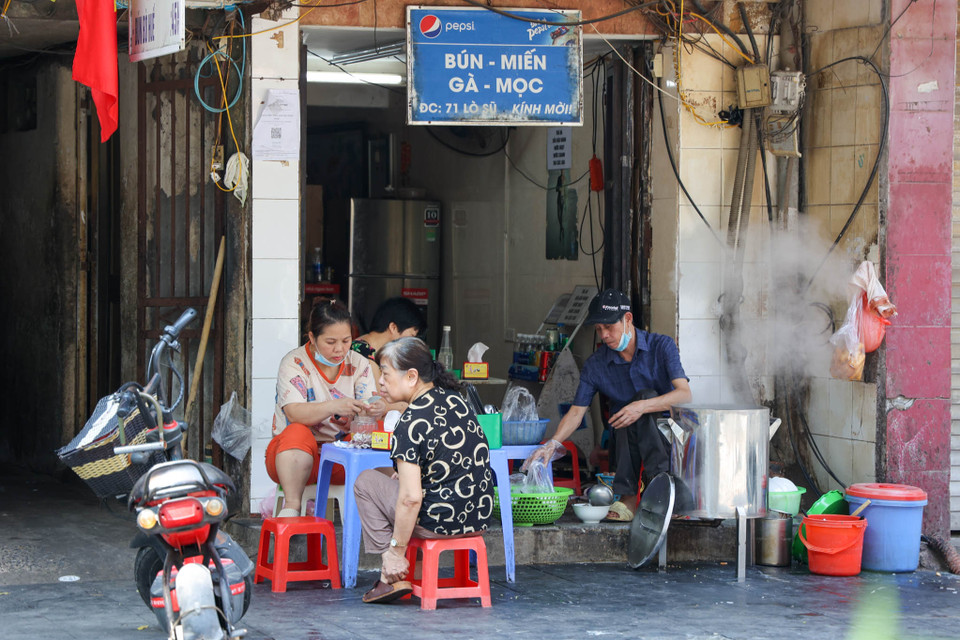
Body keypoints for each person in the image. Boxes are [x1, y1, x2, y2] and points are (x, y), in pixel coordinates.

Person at [525, 289, 691, 522]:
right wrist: (553, 443)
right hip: (628, 437)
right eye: (598, 330)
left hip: (671, 435)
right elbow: (576, 412)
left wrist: (642, 406)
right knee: (622, 412)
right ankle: (630, 498)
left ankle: (660, 489)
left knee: (642, 399)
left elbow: (684, 395)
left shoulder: (661, 346)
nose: (604, 335)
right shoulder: (596, 365)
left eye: (609, 327)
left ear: (628, 319)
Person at [353, 337, 494, 604]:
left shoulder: (411, 421)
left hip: (438, 520)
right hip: (478, 516)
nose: (380, 381)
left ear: (412, 376)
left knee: (365, 481)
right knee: (385, 472)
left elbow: (411, 499)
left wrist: (396, 549)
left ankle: (391, 568)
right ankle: (404, 570)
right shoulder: (457, 401)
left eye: (385, 373)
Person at [267, 298, 381, 517]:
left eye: (346, 341)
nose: (340, 349)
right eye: (330, 342)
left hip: (341, 460)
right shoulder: (293, 363)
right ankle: (292, 506)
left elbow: (368, 407)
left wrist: (376, 408)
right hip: (291, 460)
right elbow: (293, 412)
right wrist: (334, 406)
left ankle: (387, 512)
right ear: (312, 337)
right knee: (297, 432)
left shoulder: (359, 363)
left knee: (383, 429)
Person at [351, 296, 427, 414]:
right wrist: (407, 404)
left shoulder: (378, 353)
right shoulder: (362, 351)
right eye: (411, 336)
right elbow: (378, 401)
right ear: (393, 327)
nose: (411, 343)